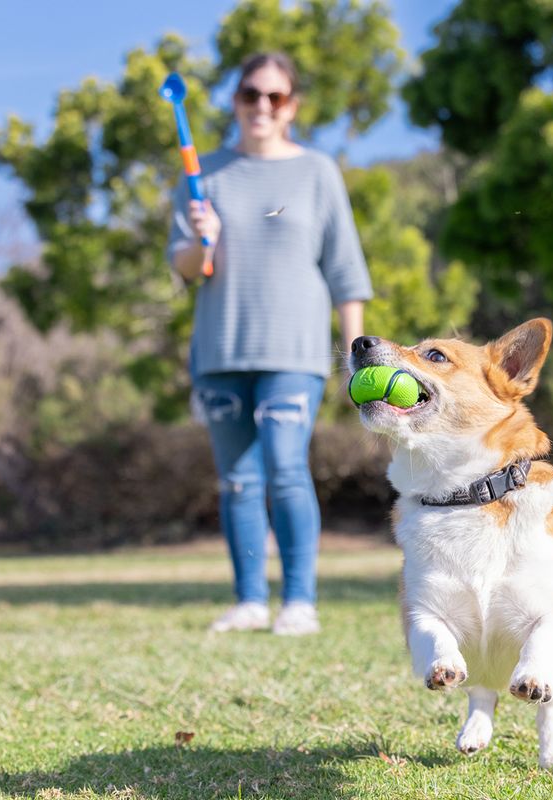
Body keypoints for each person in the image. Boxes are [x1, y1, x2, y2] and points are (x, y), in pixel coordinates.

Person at [167, 52, 372, 636]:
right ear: (235, 102)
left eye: (275, 97)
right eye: (251, 94)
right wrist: (201, 241)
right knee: (237, 480)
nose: (262, 105)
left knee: (285, 469)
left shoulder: (317, 172)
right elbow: (184, 268)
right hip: (221, 351)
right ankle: (250, 600)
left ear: (292, 107)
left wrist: (355, 357)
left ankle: (300, 602)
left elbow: (346, 272)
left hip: (294, 353)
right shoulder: (202, 175)